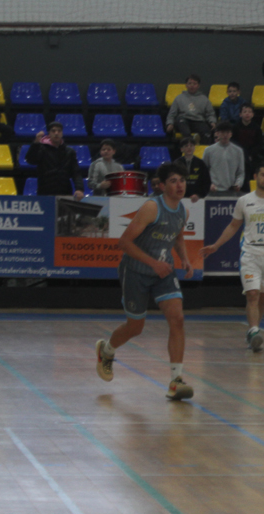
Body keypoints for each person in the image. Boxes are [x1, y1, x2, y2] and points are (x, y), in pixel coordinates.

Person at [95, 162, 196, 401]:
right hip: (136, 271)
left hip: (163, 272)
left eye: (182, 180)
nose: (179, 185)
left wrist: (184, 258)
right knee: (135, 327)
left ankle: (176, 381)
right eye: (173, 181)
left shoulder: (183, 211)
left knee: (178, 319)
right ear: (162, 185)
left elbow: (177, 236)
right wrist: (153, 263)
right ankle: (106, 350)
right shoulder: (151, 207)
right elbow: (124, 243)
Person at [200, 163, 264, 353]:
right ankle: (254, 330)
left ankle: (253, 331)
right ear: (256, 176)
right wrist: (216, 245)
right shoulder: (244, 201)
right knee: (252, 294)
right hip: (250, 254)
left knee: (263, 296)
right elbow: (233, 226)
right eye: (263, 175)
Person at [25, 122, 84, 199]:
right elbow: (30, 160)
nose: (56, 133)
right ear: (49, 133)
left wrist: (79, 189)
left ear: (62, 133)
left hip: (65, 191)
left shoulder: (70, 152)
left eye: (59, 131)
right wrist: (35, 144)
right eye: (53, 131)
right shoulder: (41, 149)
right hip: (45, 192)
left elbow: (76, 172)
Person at [166, 75, 216, 144]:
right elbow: (172, 114)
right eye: (189, 83)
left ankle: (202, 149)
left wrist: (212, 122)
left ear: (198, 86)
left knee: (206, 132)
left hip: (198, 121)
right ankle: (191, 142)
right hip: (184, 121)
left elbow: (210, 113)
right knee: (181, 121)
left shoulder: (204, 99)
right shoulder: (179, 98)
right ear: (186, 85)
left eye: (194, 84)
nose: (192, 86)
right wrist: (170, 123)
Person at [203, 121, 245, 196]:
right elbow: (204, 171)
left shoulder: (238, 151)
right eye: (222, 132)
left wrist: (238, 184)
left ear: (231, 134)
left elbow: (241, 172)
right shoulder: (208, 150)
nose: (225, 135)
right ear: (217, 133)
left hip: (231, 190)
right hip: (213, 190)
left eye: (227, 132)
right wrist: (209, 184)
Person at [231, 103, 264, 176]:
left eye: (249, 112)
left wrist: (251, 155)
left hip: (253, 155)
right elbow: (233, 142)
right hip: (238, 154)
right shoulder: (235, 127)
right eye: (245, 112)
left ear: (253, 114)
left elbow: (259, 144)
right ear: (240, 114)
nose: (247, 114)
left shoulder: (257, 128)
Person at [176, 137, 210, 202]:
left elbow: (206, 182)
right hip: (179, 198)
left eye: (191, 145)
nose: (189, 148)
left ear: (194, 148)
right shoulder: (177, 163)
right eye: (186, 146)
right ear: (181, 149)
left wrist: (199, 195)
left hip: (197, 199)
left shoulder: (201, 163)